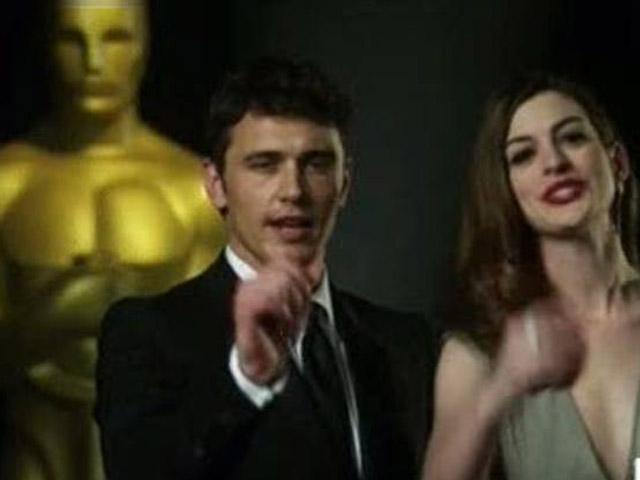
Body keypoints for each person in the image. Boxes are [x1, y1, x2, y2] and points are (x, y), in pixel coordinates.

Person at [95, 57, 437, 480]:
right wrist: (249, 382)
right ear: (216, 185)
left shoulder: (407, 345)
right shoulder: (148, 334)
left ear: (345, 183)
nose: (293, 190)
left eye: (316, 163)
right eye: (265, 164)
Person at [0, 0, 224, 479]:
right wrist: (74, 305)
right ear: (47, 46)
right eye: (72, 40)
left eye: (115, 38)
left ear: (145, 44)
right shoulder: (6, 185)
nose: (94, 62)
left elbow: (223, 369)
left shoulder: (194, 191)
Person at [422, 73, 640, 480]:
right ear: (507, 188)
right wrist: (500, 390)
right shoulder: (477, 352)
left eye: (572, 138)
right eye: (523, 155)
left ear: (618, 163)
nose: (554, 163)